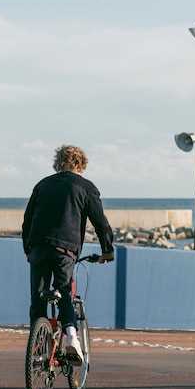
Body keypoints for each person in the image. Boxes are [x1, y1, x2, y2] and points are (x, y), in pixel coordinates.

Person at [22, 144, 114, 365]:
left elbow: (27, 220)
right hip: (66, 250)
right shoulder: (85, 187)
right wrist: (107, 251)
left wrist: (28, 248)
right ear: (81, 165)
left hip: (38, 247)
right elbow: (100, 223)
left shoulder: (42, 185)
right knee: (64, 292)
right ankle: (72, 336)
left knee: (38, 298)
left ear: (58, 163)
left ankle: (39, 349)